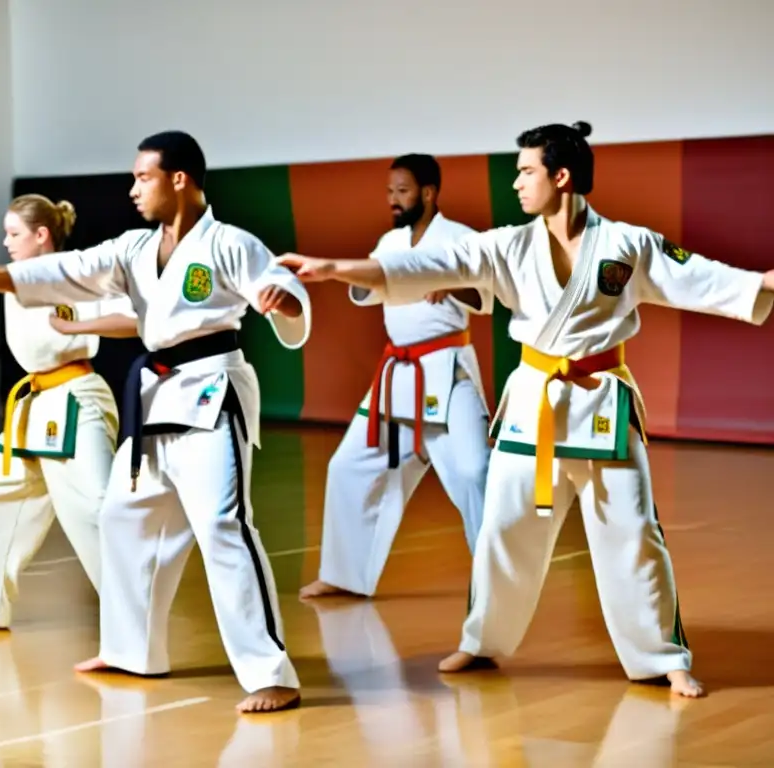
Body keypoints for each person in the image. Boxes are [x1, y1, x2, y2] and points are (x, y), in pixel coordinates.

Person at [277, 121, 774, 699]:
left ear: (560, 177)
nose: (515, 183)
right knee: (503, 529)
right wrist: (337, 269)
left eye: (526, 171)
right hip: (533, 400)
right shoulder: (508, 245)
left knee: (634, 532)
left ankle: (663, 656)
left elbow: (702, 277)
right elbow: (424, 268)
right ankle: (481, 639)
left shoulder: (627, 244)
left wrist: (761, 283)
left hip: (600, 402)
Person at [0, 130, 310, 713]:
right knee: (119, 517)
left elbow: (278, 283)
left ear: (178, 179)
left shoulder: (229, 243)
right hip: (155, 396)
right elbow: (66, 271)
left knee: (222, 525)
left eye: (143, 177)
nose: (133, 188)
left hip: (212, 391)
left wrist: (283, 302)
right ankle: (130, 650)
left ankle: (271, 673)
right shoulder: (134, 249)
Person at [300, 154, 492, 601]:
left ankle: (492, 583)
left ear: (428, 192)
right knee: (347, 467)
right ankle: (344, 574)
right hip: (397, 375)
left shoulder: (460, 239)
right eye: (389, 192)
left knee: (473, 470)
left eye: (402, 191)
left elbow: (486, 294)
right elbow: (367, 289)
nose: (393, 200)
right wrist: (344, 272)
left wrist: (451, 282)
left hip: (447, 370)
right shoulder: (389, 242)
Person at [0, 193, 138, 631]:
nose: (6, 242)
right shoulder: (15, 280)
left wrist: (79, 326)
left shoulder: (83, 273)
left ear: (42, 235)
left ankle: (133, 618)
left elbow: (133, 320)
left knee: (97, 507)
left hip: (77, 396)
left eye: (14, 234)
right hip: (35, 403)